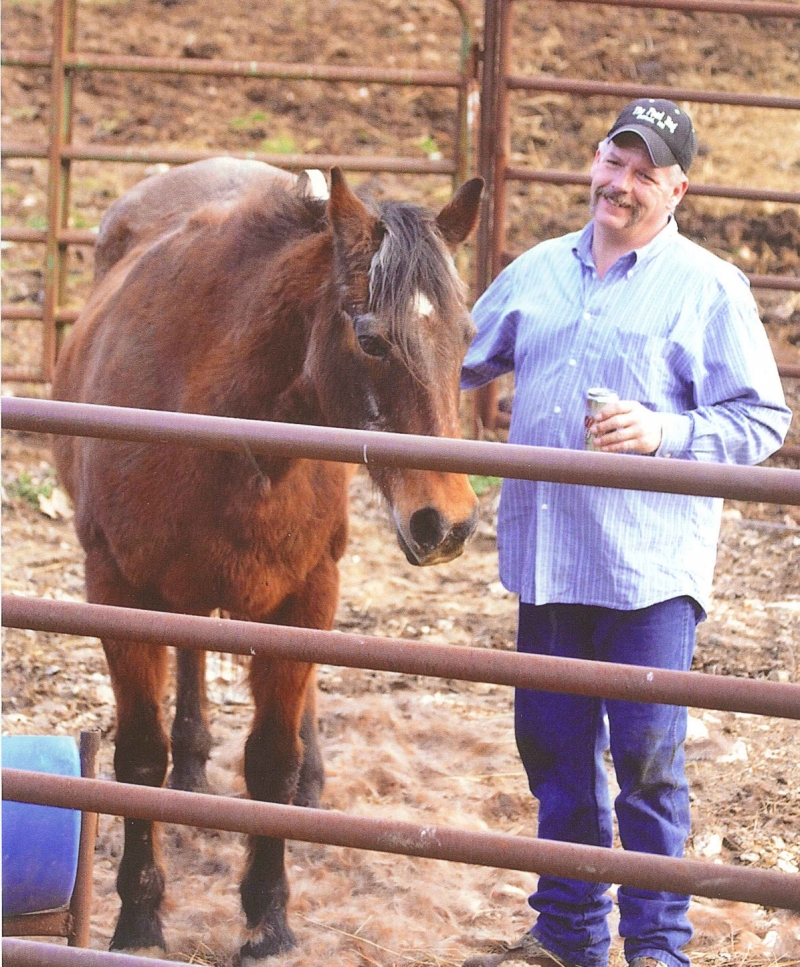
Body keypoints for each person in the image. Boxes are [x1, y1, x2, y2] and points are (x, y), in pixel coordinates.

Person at [459, 99, 792, 967]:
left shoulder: (710, 286)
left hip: (647, 567)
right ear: (594, 163)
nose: (623, 184)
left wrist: (666, 433)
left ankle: (655, 949)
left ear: (677, 188)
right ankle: (569, 935)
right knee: (553, 751)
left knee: (647, 761)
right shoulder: (534, 272)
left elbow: (761, 418)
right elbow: (449, 354)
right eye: (616, 161)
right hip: (547, 556)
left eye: (647, 173)